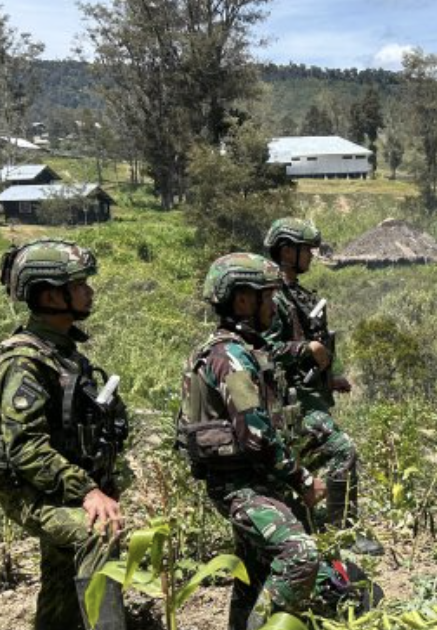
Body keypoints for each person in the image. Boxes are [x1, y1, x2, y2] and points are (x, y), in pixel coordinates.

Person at [178, 252, 328, 630]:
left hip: (249, 479)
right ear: (243, 300)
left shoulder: (238, 350)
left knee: (255, 570)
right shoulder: (231, 358)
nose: (273, 307)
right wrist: (302, 479)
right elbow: (256, 435)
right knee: (300, 554)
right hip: (241, 486)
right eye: (267, 297)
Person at [0, 239, 129, 630]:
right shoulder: (24, 362)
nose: (90, 291)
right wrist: (87, 491)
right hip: (30, 489)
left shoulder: (64, 354)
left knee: (60, 580)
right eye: (79, 284)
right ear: (51, 295)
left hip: (57, 485)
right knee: (99, 533)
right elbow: (26, 447)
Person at [261, 217, 382, 555]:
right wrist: (306, 349)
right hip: (288, 404)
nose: (311, 256)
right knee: (343, 450)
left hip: (307, 397)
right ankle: (343, 531)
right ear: (287, 251)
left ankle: (307, 524)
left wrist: (331, 378)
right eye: (306, 250)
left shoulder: (296, 295)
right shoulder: (273, 298)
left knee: (304, 465)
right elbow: (262, 351)